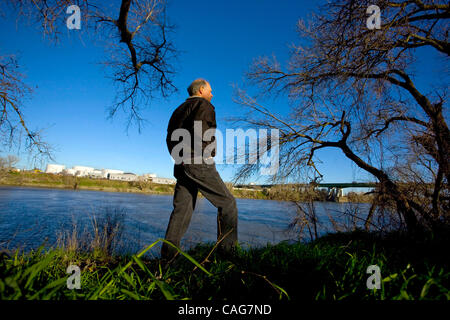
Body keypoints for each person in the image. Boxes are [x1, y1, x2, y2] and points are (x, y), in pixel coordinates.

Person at [161, 79, 238, 261]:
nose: (212, 94)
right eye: (210, 90)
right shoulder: (204, 105)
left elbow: (168, 138)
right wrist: (207, 154)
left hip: (181, 164)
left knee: (181, 210)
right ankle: (227, 256)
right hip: (198, 161)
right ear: (201, 90)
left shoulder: (178, 110)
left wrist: (178, 157)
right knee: (228, 204)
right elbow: (202, 131)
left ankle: (168, 259)